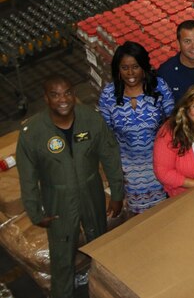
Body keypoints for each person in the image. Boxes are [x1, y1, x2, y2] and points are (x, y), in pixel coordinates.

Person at [16, 75, 124, 298]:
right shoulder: (33, 133)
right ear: (46, 99)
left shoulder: (92, 120)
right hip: (57, 199)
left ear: (74, 94)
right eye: (55, 95)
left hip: (91, 191)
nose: (62, 99)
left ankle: (104, 290)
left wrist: (117, 192)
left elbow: (110, 155)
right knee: (62, 256)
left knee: (101, 246)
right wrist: (35, 212)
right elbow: (28, 177)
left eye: (67, 93)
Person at [98, 41, 175, 214]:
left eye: (135, 67)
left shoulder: (159, 87)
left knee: (167, 216)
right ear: (118, 69)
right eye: (125, 68)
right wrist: (115, 177)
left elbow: (173, 124)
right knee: (140, 224)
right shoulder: (109, 95)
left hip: (160, 166)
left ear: (144, 67)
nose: (131, 73)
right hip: (128, 172)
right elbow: (106, 138)